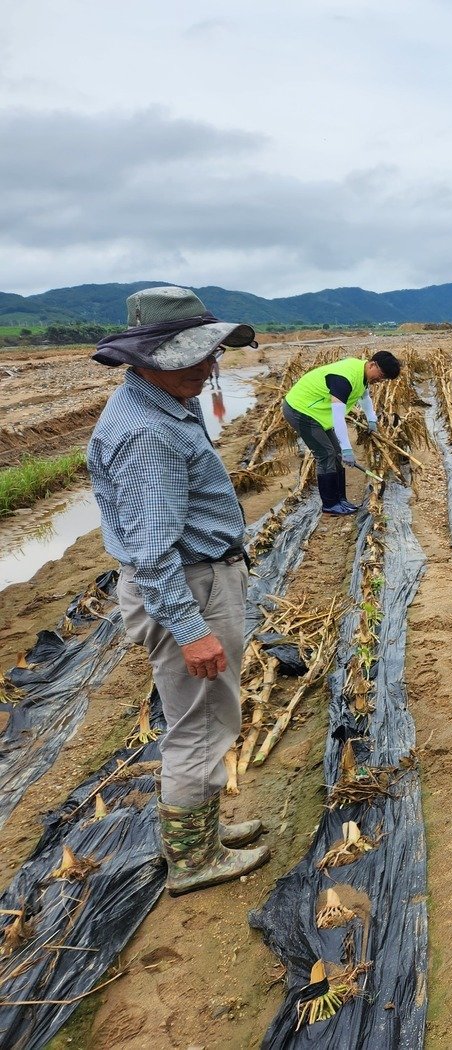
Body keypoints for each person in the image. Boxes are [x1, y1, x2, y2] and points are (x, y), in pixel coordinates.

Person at [88, 285, 270, 895]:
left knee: (204, 715)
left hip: (197, 578)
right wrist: (192, 631)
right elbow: (152, 551)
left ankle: (203, 834)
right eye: (193, 357)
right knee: (198, 723)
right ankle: (194, 862)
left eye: (210, 353)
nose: (209, 367)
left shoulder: (165, 402)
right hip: (188, 588)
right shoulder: (149, 433)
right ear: (148, 359)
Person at [281, 351, 401, 515]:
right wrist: (347, 448)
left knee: (336, 454)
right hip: (300, 410)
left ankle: (341, 500)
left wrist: (371, 419)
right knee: (326, 454)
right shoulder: (344, 378)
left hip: (318, 414)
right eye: (381, 376)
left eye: (384, 379)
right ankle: (330, 504)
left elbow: (365, 397)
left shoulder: (362, 373)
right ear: (372, 364)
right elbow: (338, 417)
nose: (380, 381)